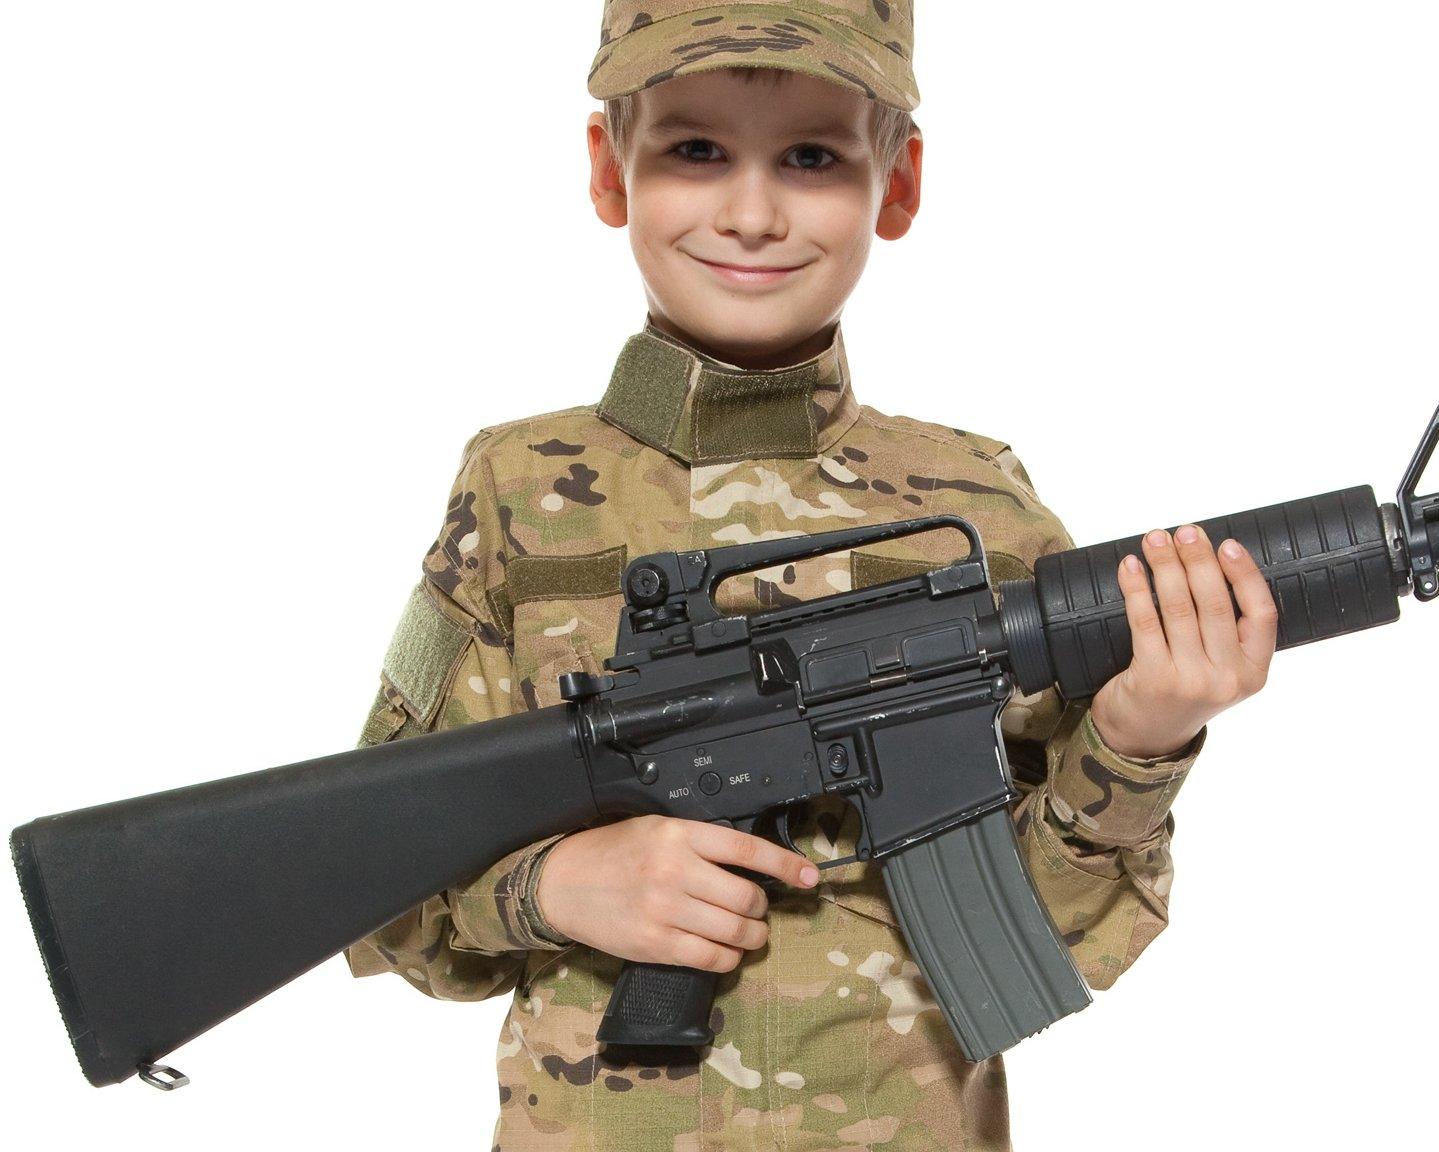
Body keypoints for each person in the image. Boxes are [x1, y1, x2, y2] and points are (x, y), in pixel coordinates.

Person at [345, 3, 1278, 1148]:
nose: (750, 211)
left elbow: (1055, 937)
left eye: (811, 157)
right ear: (606, 168)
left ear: (896, 184)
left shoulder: (975, 510)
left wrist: (1139, 738)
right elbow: (380, 896)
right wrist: (554, 888)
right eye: (694, 149)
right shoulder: (518, 493)